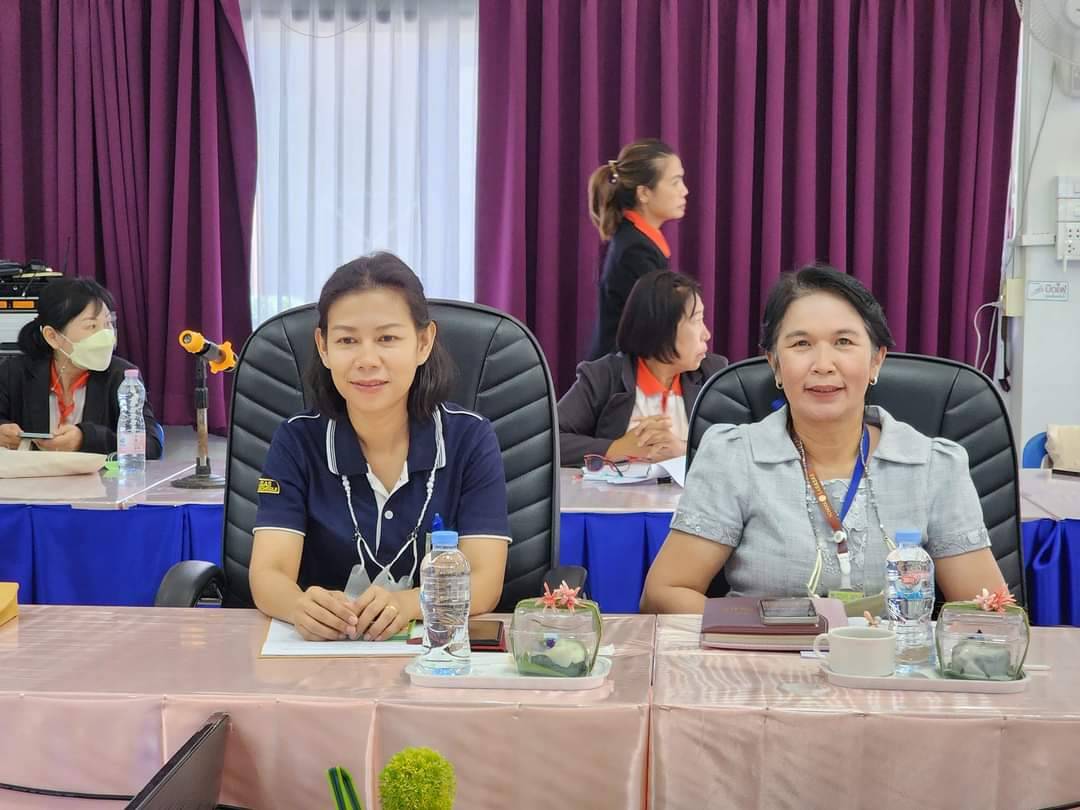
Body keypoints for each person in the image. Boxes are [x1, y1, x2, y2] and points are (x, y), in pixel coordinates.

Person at [641, 266, 1006, 613]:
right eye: (801, 344)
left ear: (876, 360)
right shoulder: (734, 457)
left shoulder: (933, 466)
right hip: (762, 656)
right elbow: (664, 593)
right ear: (775, 364)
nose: (823, 364)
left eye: (843, 342)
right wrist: (767, 631)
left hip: (896, 657)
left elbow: (988, 612)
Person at [249, 252, 512, 642]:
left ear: (423, 342)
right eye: (347, 340)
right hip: (321, 658)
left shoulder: (470, 439)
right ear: (323, 347)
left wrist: (407, 605)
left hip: (434, 658)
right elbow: (268, 574)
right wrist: (298, 606)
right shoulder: (296, 441)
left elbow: (485, 581)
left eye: (387, 338)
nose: (367, 360)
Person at [559, 270, 726, 468]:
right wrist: (616, 449)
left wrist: (685, 450)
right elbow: (549, 439)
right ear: (662, 328)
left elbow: (741, 448)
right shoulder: (603, 376)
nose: (706, 334)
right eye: (697, 320)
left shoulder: (714, 375)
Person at [0, 277, 163, 457]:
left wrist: (85, 439)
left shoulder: (122, 376)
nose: (105, 335)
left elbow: (152, 445)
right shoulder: (14, 372)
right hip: (33, 474)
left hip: (96, 476)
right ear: (52, 336)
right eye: (91, 326)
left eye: (108, 324)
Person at [586, 138, 688, 360]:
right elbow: (655, 327)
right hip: (620, 374)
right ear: (644, 193)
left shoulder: (637, 241)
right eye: (675, 182)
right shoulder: (635, 251)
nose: (684, 191)